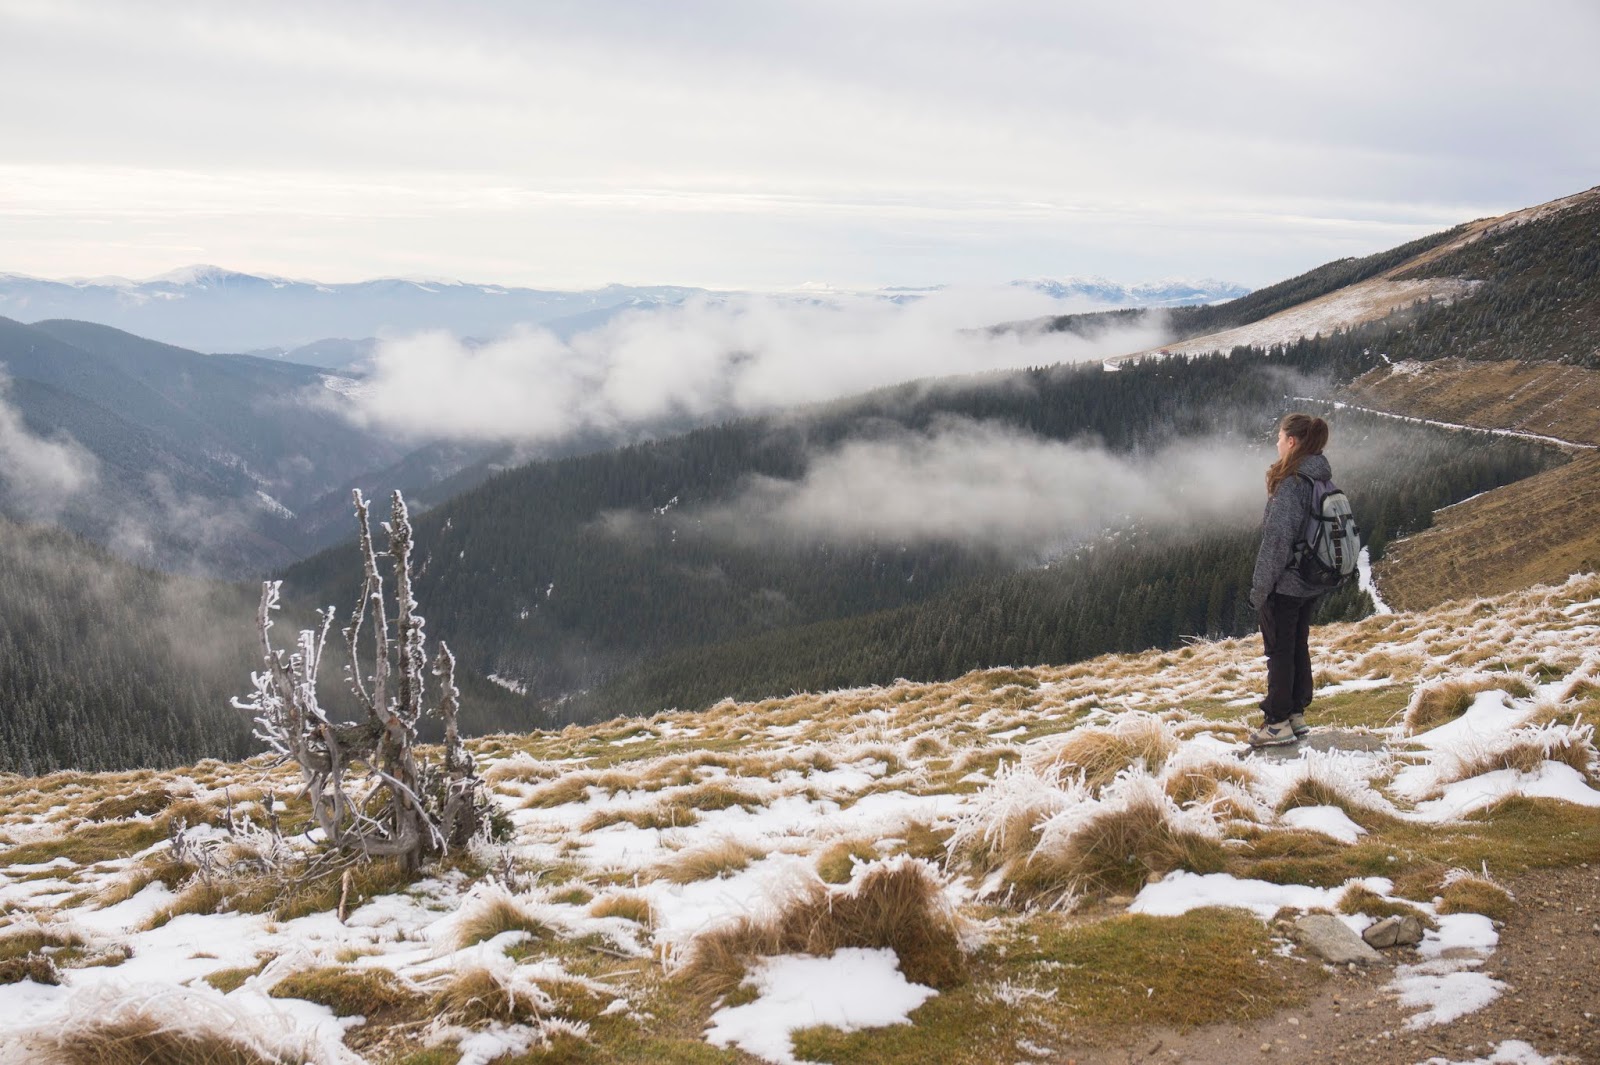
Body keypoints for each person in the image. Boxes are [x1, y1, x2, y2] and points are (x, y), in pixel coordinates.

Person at [1247, 412, 1333, 747]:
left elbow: (1276, 542)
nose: (1277, 442)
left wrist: (1260, 589)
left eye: (1280, 437)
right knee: (1297, 644)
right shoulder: (1319, 478)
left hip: (1287, 583)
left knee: (1279, 650)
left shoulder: (1293, 483)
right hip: (1310, 578)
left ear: (1292, 442)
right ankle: (1296, 714)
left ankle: (1277, 722)